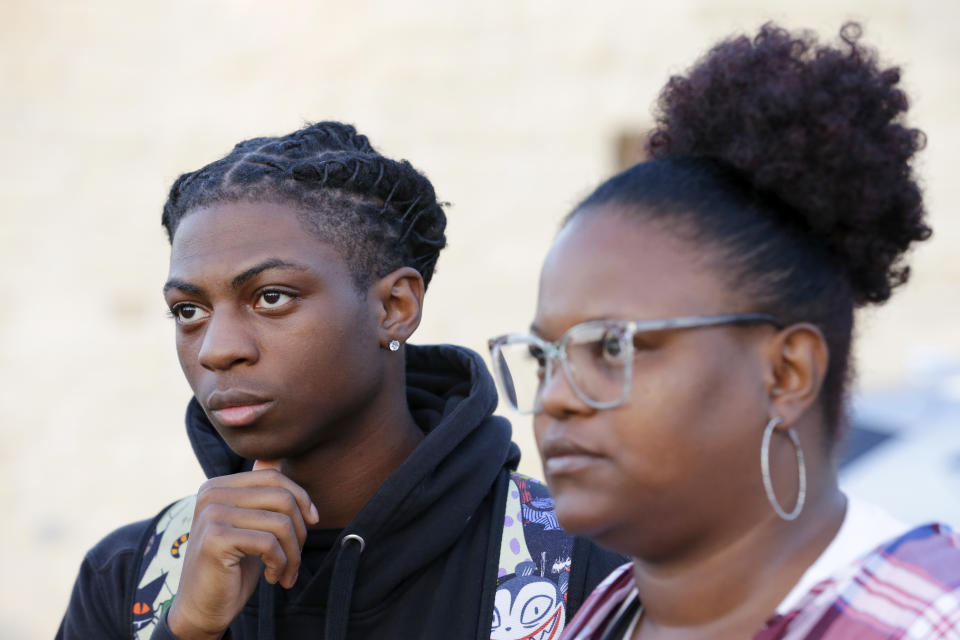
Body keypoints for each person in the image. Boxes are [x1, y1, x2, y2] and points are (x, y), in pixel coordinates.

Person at [57, 121, 624, 640]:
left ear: (394, 308)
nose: (216, 349)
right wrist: (188, 630)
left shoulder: (581, 573)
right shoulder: (131, 579)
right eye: (188, 311)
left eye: (271, 297)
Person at [488, 23, 960, 639]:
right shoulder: (600, 614)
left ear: (786, 373)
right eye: (546, 358)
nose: (554, 399)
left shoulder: (919, 622)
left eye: (612, 346)